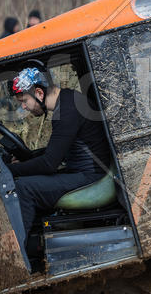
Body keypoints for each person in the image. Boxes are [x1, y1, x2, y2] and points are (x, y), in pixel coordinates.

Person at [7, 63, 111, 240]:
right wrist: (27, 160)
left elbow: (49, 164)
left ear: (39, 93)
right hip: (85, 171)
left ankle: (18, 253)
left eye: (24, 101)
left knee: (23, 188)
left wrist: (7, 171)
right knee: (28, 182)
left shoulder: (66, 111)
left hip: (91, 177)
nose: (24, 107)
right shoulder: (68, 101)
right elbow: (57, 150)